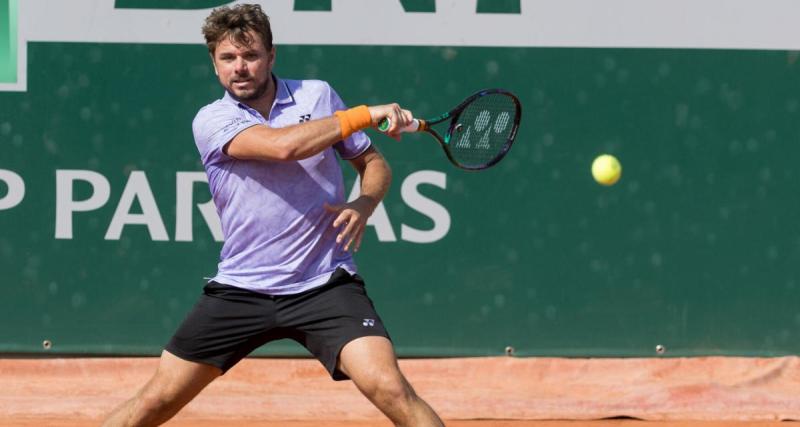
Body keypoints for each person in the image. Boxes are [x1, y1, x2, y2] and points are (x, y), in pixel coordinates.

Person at [102, 4, 444, 427]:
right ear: (214, 63)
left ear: (271, 56)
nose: (240, 68)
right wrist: (363, 114)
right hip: (241, 289)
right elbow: (283, 147)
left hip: (324, 284)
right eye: (228, 58)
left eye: (251, 56)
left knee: (392, 388)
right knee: (153, 404)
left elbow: (374, 164)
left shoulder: (317, 96)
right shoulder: (212, 119)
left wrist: (365, 203)